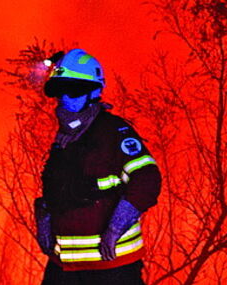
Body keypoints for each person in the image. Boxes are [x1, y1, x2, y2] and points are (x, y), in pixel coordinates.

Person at [34, 49, 162, 284]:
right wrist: (44, 219)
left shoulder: (113, 132)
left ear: (94, 92)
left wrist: (115, 229)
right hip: (65, 267)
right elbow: (59, 189)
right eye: (60, 90)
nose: (65, 98)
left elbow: (147, 180)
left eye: (74, 90)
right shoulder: (64, 139)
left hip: (112, 267)